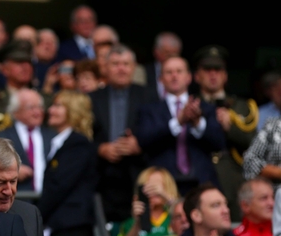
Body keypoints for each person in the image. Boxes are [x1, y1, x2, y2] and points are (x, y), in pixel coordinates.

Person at [136, 57, 226, 196]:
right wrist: (178, 122)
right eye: (169, 72)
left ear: (189, 77)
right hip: (164, 181)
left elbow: (219, 143)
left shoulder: (206, 108)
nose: (174, 76)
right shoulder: (149, 109)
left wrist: (198, 123)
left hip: (201, 180)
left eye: (179, 71)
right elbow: (144, 140)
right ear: (161, 79)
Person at [38, 90, 97, 236]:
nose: (50, 110)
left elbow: (59, 186)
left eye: (58, 106)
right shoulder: (65, 142)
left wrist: (36, 216)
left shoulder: (77, 144)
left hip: (71, 229)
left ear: (73, 111)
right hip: (61, 227)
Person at [90, 44, 156, 222]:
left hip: (138, 175)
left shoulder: (149, 96)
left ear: (133, 68)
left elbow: (159, 133)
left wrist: (139, 144)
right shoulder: (92, 97)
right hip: (102, 177)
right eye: (116, 64)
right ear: (106, 67)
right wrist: (100, 149)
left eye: (126, 64)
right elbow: (82, 137)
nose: (121, 68)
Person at [192, 46, 258, 222]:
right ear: (196, 75)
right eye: (207, 70)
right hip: (198, 176)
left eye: (218, 70)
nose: (213, 75)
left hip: (233, 178)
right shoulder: (190, 105)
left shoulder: (240, 106)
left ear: (225, 76)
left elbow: (254, 144)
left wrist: (231, 128)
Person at [0, 88, 55, 193]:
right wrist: (11, 171)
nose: (37, 112)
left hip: (49, 202)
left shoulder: (53, 137)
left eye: (40, 107)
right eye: (31, 107)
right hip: (18, 200)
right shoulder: (1, 139)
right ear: (15, 111)